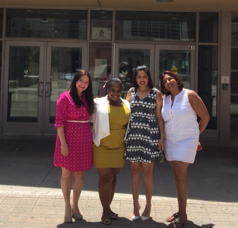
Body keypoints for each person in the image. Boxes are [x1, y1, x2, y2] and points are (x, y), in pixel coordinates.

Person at [160, 71, 210, 228]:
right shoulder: (165, 99)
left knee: (180, 176)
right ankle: (180, 210)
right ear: (164, 86)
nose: (169, 82)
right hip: (170, 142)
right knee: (177, 176)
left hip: (187, 141)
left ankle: (182, 216)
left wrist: (196, 136)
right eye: (165, 81)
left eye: (171, 79)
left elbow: (205, 117)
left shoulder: (190, 95)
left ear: (176, 79)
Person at [124, 65, 164, 222]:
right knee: (134, 171)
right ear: (135, 78)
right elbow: (125, 113)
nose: (142, 79)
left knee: (147, 171)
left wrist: (162, 137)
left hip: (150, 136)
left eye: (145, 77)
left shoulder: (156, 93)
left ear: (149, 78)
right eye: (139, 76)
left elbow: (159, 117)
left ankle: (148, 205)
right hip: (133, 136)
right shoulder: (131, 92)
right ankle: (135, 206)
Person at [53, 70, 94, 223]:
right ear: (75, 80)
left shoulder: (87, 98)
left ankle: (75, 205)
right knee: (66, 174)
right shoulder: (64, 97)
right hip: (67, 140)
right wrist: (63, 144)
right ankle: (66, 207)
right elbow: (59, 122)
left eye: (86, 82)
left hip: (83, 140)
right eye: (81, 81)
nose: (83, 84)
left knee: (79, 175)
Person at [92, 77, 131, 225]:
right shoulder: (98, 103)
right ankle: (106, 211)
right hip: (102, 146)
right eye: (112, 90)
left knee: (114, 177)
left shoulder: (126, 104)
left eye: (119, 90)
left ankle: (108, 207)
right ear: (107, 89)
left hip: (119, 146)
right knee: (105, 178)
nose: (116, 93)